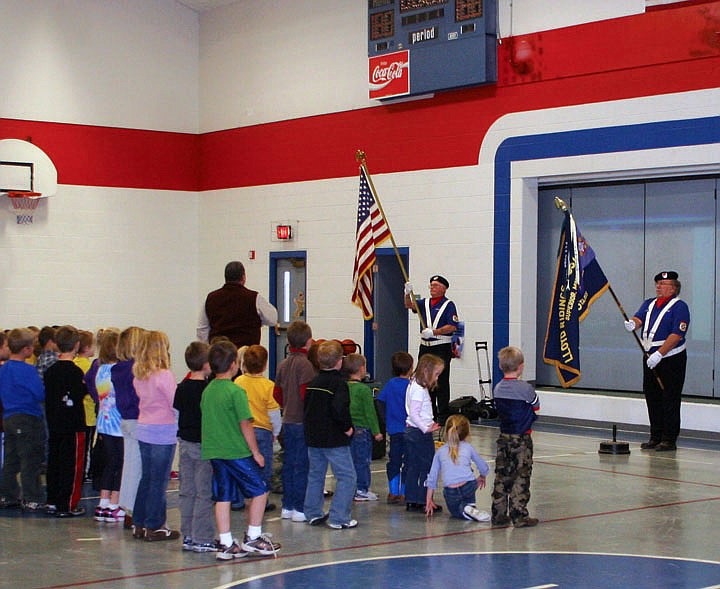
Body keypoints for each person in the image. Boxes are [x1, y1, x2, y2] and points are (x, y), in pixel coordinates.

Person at [201, 339, 281, 559]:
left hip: (215, 452)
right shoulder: (235, 392)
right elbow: (246, 424)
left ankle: (226, 541)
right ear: (234, 364)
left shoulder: (208, 391)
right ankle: (253, 537)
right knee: (260, 490)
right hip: (236, 452)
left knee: (223, 496)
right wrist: (256, 452)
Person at [625, 270, 690, 452]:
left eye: (663, 284)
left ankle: (669, 438)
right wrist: (632, 323)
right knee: (652, 396)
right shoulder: (650, 304)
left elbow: (677, 334)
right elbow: (639, 318)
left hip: (671, 358)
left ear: (674, 288)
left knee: (670, 397)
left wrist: (660, 354)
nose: (659, 287)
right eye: (658, 284)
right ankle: (656, 436)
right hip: (649, 357)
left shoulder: (679, 307)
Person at [303, 340, 357, 529]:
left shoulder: (313, 383)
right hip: (334, 439)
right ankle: (339, 517)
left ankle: (312, 512)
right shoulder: (338, 384)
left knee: (315, 475)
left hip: (314, 438)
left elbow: (307, 410)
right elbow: (340, 408)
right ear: (339, 361)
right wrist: (347, 427)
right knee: (347, 476)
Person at [132, 330, 180, 541]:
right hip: (163, 431)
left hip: (144, 428)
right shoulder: (164, 375)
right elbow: (174, 403)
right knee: (159, 481)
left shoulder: (140, 375)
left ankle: (139, 522)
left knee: (147, 478)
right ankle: (155, 524)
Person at [173, 341, 218, 552]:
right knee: (203, 492)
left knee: (187, 490)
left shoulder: (181, 388)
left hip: (185, 443)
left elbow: (176, 415)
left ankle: (188, 535)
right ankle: (202, 537)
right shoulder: (208, 390)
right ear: (207, 364)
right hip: (203, 445)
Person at [491, 346, 540, 528]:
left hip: (504, 437)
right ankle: (519, 514)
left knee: (502, 474)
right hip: (522, 438)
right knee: (521, 475)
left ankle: (498, 512)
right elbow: (536, 407)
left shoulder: (498, 388)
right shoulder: (526, 389)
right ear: (521, 367)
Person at [274, 320, 316, 522]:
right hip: (301, 421)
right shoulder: (305, 365)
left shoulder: (283, 364)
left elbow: (277, 394)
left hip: (287, 420)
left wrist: (286, 407)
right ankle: (300, 507)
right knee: (302, 465)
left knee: (289, 463)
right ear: (309, 342)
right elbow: (305, 396)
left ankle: (288, 505)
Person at [0, 328, 47, 512]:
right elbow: (39, 393)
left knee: (11, 459)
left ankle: (7, 495)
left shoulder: (3, 369)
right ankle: (32, 497)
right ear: (27, 349)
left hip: (9, 417)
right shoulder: (27, 370)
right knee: (31, 459)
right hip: (27, 417)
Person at [44, 326, 87, 517]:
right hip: (72, 424)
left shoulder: (50, 370)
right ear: (77, 345)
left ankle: (52, 500)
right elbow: (77, 395)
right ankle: (67, 504)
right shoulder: (75, 372)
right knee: (72, 465)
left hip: (54, 423)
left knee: (55, 461)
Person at [404, 275, 459, 424]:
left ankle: (442, 414)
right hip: (425, 347)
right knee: (424, 379)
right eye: (431, 285)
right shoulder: (425, 303)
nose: (432, 288)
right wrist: (407, 292)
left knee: (441, 381)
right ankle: (430, 412)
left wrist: (434, 332)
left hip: (441, 346)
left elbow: (452, 326)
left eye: (435, 285)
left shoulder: (448, 305)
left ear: (443, 288)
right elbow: (409, 305)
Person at [234, 344, 281, 512]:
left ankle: (237, 499)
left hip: (241, 429)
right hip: (262, 430)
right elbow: (274, 412)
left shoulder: (238, 382)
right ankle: (262, 499)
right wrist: (276, 432)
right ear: (265, 364)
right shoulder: (268, 385)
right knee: (264, 466)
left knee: (241, 465)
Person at [87, 328, 124, 523]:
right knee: (120, 464)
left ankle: (102, 502)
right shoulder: (118, 371)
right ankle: (114, 504)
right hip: (118, 423)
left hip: (104, 421)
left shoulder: (100, 369)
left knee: (110, 463)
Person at [197, 261, 278, 348]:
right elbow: (273, 319)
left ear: (226, 278)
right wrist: (259, 321)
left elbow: (202, 329)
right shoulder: (254, 297)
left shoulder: (210, 298)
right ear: (243, 277)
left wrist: (209, 351)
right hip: (246, 355)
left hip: (219, 354)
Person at [425, 414, 490, 521]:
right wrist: (482, 476)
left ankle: (465, 511)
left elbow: (432, 477)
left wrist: (428, 499)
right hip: (469, 486)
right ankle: (470, 507)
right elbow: (483, 467)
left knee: (455, 513)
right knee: (468, 489)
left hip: (451, 491)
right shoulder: (468, 447)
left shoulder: (440, 452)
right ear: (467, 433)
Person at [112, 326, 145, 529]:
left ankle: (126, 508)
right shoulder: (135, 369)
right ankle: (133, 510)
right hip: (138, 418)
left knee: (130, 467)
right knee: (137, 468)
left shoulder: (118, 368)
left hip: (125, 418)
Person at [404, 353, 444, 513]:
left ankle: (412, 498)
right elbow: (414, 413)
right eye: (436, 374)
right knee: (426, 466)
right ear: (427, 372)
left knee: (414, 466)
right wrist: (425, 428)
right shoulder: (418, 390)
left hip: (413, 431)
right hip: (419, 433)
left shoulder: (414, 384)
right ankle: (422, 498)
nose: (437, 378)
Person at [343, 353, 383, 502]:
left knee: (351, 461)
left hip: (348, 430)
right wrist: (376, 431)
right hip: (362, 431)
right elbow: (370, 413)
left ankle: (352, 488)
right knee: (363, 461)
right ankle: (362, 488)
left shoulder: (344, 387)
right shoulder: (364, 390)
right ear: (361, 369)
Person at [377, 351, 413, 504]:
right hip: (409, 429)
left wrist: (385, 420)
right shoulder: (412, 386)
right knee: (409, 462)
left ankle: (393, 492)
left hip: (394, 430)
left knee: (394, 461)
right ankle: (405, 492)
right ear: (411, 368)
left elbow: (380, 401)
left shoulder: (390, 384)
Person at [74, 330, 97, 482]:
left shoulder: (74, 363)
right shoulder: (89, 366)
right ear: (87, 348)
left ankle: (80, 471)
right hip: (88, 412)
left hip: (78, 412)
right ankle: (85, 472)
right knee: (87, 445)